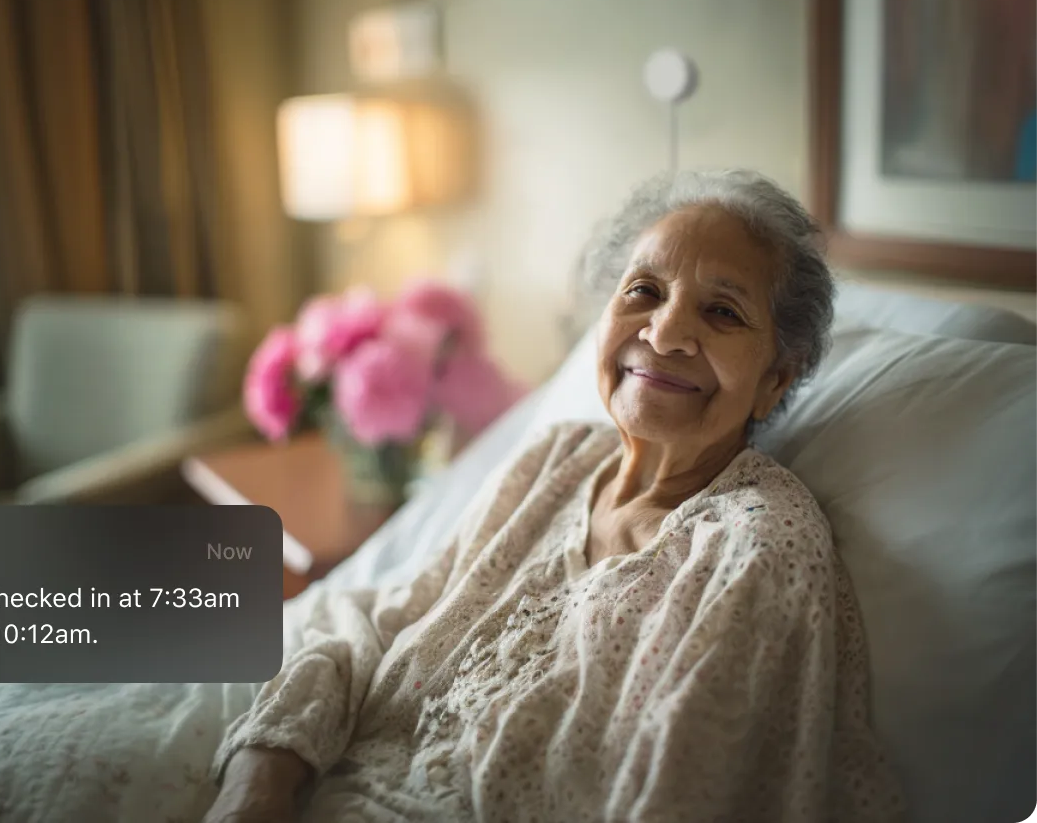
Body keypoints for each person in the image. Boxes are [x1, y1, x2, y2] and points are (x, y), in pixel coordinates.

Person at [203, 169, 904, 823]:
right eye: (644, 292)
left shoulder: (754, 548)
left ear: (776, 380)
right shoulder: (556, 459)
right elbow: (384, 619)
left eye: (721, 312)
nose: (665, 332)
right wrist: (260, 777)